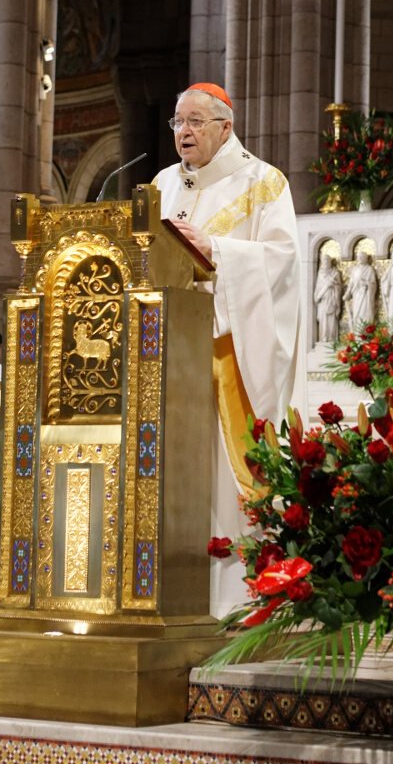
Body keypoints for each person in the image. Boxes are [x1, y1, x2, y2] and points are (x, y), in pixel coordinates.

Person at [154, 82, 302, 618]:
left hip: (231, 352)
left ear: (225, 127)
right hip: (171, 355)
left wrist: (215, 249)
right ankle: (175, 588)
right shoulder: (161, 185)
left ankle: (247, 594)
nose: (184, 132)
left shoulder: (264, 183)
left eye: (195, 122)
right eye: (177, 122)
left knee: (237, 470)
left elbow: (282, 261)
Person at [343, 249, 378, 330]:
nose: (360, 259)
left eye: (362, 257)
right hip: (356, 296)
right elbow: (351, 284)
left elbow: (373, 284)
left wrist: (366, 283)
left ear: (366, 258)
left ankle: (366, 334)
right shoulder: (354, 270)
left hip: (366, 296)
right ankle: (357, 334)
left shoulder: (369, 269)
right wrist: (347, 294)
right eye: (359, 257)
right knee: (356, 315)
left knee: (365, 314)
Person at [313, 253, 342, 344]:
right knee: (323, 321)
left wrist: (334, 286)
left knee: (331, 322)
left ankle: (331, 339)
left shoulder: (335, 273)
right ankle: (323, 338)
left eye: (327, 260)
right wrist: (325, 288)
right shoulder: (320, 274)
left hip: (332, 300)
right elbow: (317, 290)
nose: (325, 262)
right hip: (323, 301)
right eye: (323, 260)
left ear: (330, 262)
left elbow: (340, 287)